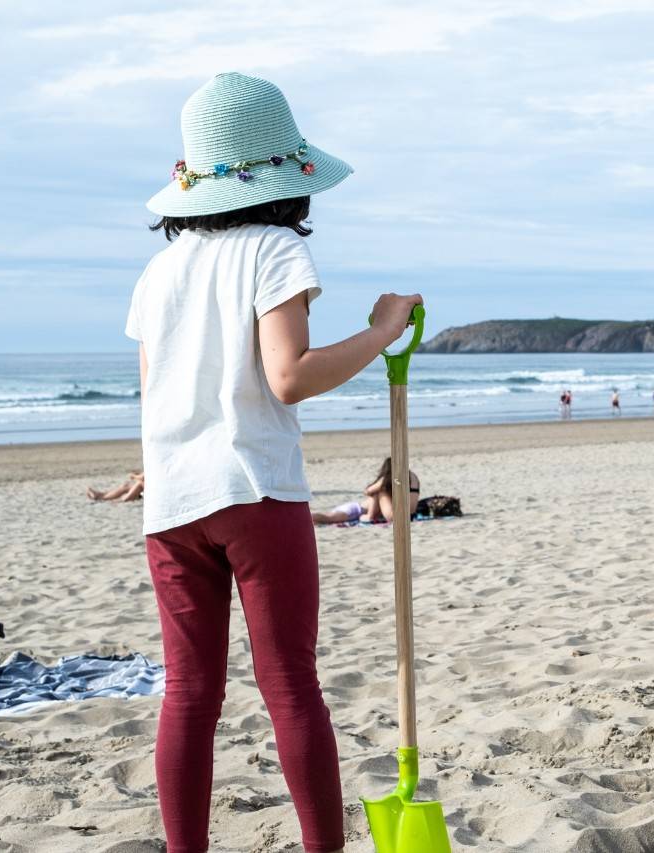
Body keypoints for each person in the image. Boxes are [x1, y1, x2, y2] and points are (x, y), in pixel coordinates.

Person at [126, 72, 421, 853]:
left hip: (174, 506)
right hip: (255, 490)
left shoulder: (157, 273)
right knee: (289, 683)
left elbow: (156, 396)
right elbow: (289, 375)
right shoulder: (274, 248)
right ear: (288, 178)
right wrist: (384, 331)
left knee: (188, 693)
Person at [312, 458, 420, 526]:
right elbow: (370, 492)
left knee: (328, 518)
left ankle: (307, 518)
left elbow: (368, 491)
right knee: (329, 518)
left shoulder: (389, 485)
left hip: (359, 511)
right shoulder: (410, 477)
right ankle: (308, 517)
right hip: (356, 510)